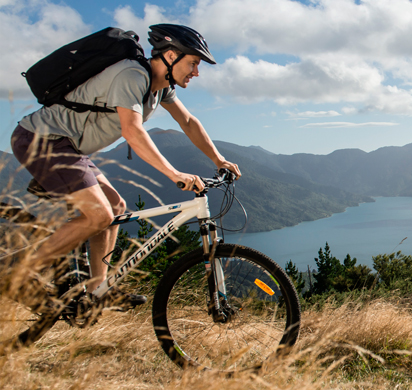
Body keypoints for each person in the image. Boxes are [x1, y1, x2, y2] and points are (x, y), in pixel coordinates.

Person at [9, 24, 240, 304]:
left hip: (69, 148)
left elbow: (188, 122)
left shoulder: (159, 88)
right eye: (192, 63)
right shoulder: (132, 75)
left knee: (116, 209)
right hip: (41, 140)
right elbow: (132, 130)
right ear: (170, 56)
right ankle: (17, 276)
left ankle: (98, 291)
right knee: (98, 216)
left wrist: (219, 159)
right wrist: (173, 173)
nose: (196, 72)